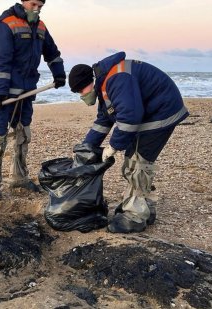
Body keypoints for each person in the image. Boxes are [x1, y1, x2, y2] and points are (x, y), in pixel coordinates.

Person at [68, 51, 189, 233]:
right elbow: (104, 120)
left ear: (89, 83)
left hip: (161, 112)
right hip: (151, 111)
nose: (81, 95)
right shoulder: (105, 84)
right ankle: (145, 207)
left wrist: (113, 147)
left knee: (137, 162)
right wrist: (86, 148)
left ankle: (135, 216)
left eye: (80, 90)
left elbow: (130, 117)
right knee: (135, 159)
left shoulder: (116, 79)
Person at [0, 0, 66, 200]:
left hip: (27, 91)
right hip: (5, 92)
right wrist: (0, 91)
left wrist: (59, 73)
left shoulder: (40, 26)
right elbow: (0, 59)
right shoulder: (6, 23)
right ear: (23, 2)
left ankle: (19, 177)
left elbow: (52, 53)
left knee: (22, 133)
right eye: (33, 4)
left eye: (41, 6)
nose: (37, 8)